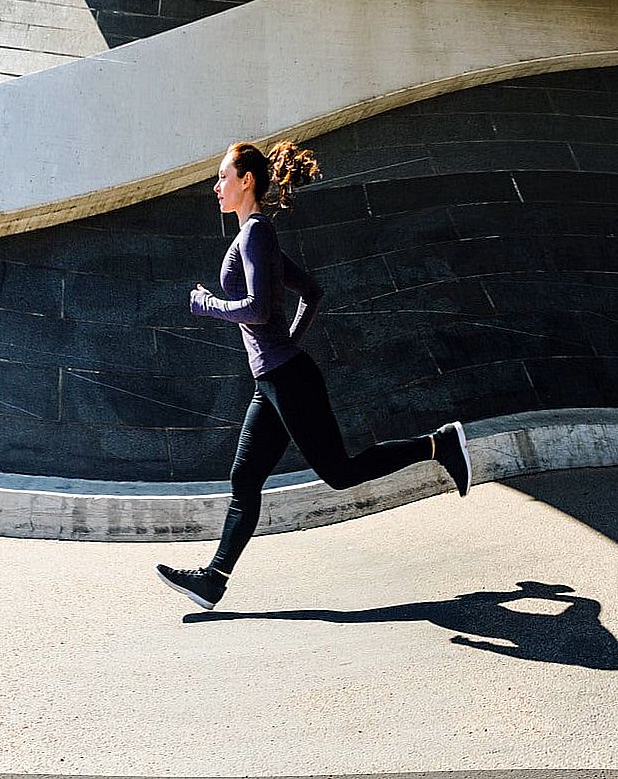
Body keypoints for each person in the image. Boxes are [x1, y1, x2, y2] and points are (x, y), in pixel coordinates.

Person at [156, 140, 472, 610]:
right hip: (276, 380)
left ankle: (438, 443)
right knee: (244, 476)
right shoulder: (253, 236)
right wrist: (287, 350)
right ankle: (214, 580)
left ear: (246, 181)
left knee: (339, 473)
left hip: (286, 379)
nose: (216, 186)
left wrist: (208, 305)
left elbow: (259, 309)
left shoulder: (256, 234)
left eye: (223, 176)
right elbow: (312, 292)